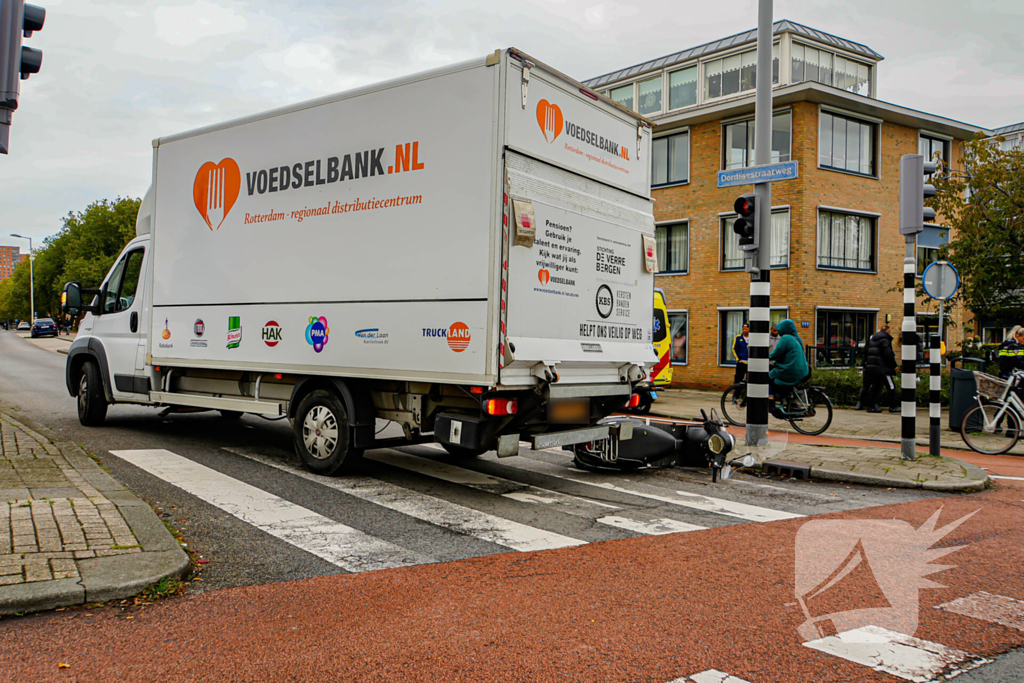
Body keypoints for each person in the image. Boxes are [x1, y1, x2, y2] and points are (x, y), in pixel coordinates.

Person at [769, 319, 810, 412]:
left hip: (790, 370)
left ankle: (771, 403)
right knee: (783, 384)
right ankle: (788, 402)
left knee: (769, 377)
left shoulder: (786, 338)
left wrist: (764, 356)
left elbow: (776, 353)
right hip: (803, 370)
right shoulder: (796, 338)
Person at [856, 324, 899, 413]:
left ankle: (866, 405)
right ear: (888, 331)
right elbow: (888, 354)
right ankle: (892, 406)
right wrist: (894, 365)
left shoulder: (871, 339)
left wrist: (864, 365)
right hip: (882, 367)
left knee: (870, 386)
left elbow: (865, 352)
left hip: (870, 367)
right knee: (889, 386)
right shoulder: (885, 339)